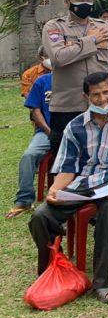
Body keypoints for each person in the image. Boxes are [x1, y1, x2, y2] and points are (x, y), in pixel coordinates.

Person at [29, 72, 108, 304]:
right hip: (81, 182)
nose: (101, 99)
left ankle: (103, 281)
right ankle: (51, 269)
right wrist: (55, 190)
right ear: (86, 96)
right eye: (95, 95)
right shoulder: (75, 126)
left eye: (106, 93)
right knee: (40, 215)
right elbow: (68, 167)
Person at [42, 0, 108, 157]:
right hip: (68, 106)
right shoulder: (55, 27)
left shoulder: (105, 29)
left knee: (106, 153)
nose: (84, 2)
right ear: (67, 1)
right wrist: (91, 40)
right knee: (67, 157)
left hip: (103, 104)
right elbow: (59, 57)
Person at [7, 70, 53, 218]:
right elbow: (35, 110)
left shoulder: (77, 81)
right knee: (29, 155)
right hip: (46, 132)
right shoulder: (42, 81)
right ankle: (25, 199)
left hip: (72, 132)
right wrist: (48, 131)